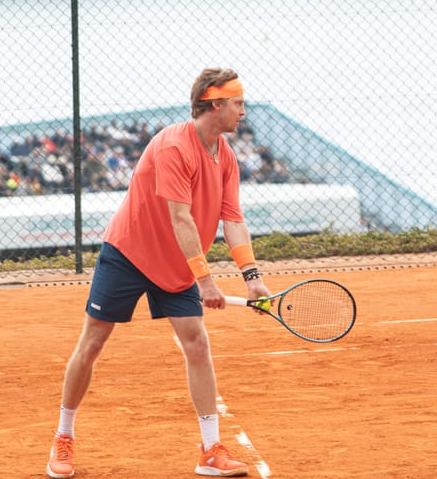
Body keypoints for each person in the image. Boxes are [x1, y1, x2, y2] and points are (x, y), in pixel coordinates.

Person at [45, 68, 271, 479]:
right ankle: (64, 437)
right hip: (129, 254)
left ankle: (210, 450)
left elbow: (232, 218)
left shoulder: (226, 155)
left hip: (177, 265)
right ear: (214, 102)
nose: (243, 111)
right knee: (93, 342)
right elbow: (180, 218)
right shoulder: (173, 146)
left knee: (197, 343)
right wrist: (205, 280)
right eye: (238, 103)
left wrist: (252, 276)